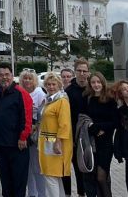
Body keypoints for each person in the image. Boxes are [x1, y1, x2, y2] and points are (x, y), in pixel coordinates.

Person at [0, 63, 31, 197]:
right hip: (2, 145)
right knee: (5, 182)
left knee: (18, 182)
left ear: (12, 75)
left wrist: (23, 137)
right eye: (1, 75)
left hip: (17, 145)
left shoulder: (21, 93)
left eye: (7, 74)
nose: (4, 78)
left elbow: (27, 117)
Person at [83, 72, 117, 197]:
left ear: (103, 82)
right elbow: (87, 120)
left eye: (98, 82)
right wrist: (95, 129)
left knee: (102, 177)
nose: (96, 85)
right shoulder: (89, 99)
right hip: (92, 142)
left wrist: (100, 128)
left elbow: (115, 122)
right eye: (93, 82)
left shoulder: (110, 99)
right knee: (94, 177)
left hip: (106, 143)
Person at [38, 72, 72, 197]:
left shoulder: (62, 101)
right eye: (48, 84)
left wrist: (58, 142)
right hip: (47, 141)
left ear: (59, 85)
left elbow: (64, 124)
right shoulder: (50, 100)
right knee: (54, 176)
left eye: (54, 84)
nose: (51, 87)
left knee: (50, 175)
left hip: (55, 143)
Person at [65, 59, 90, 197]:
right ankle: (80, 194)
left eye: (84, 71)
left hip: (91, 134)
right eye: (79, 71)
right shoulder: (68, 91)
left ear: (88, 72)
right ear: (75, 72)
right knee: (78, 167)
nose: (82, 73)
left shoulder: (93, 88)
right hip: (74, 137)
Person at [20, 70, 46, 197]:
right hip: (24, 131)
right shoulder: (20, 92)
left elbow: (44, 114)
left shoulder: (40, 93)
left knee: (37, 166)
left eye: (30, 78)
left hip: (36, 133)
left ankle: (41, 193)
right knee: (28, 167)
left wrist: (36, 126)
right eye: (25, 78)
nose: (27, 81)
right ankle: (32, 193)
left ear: (34, 80)